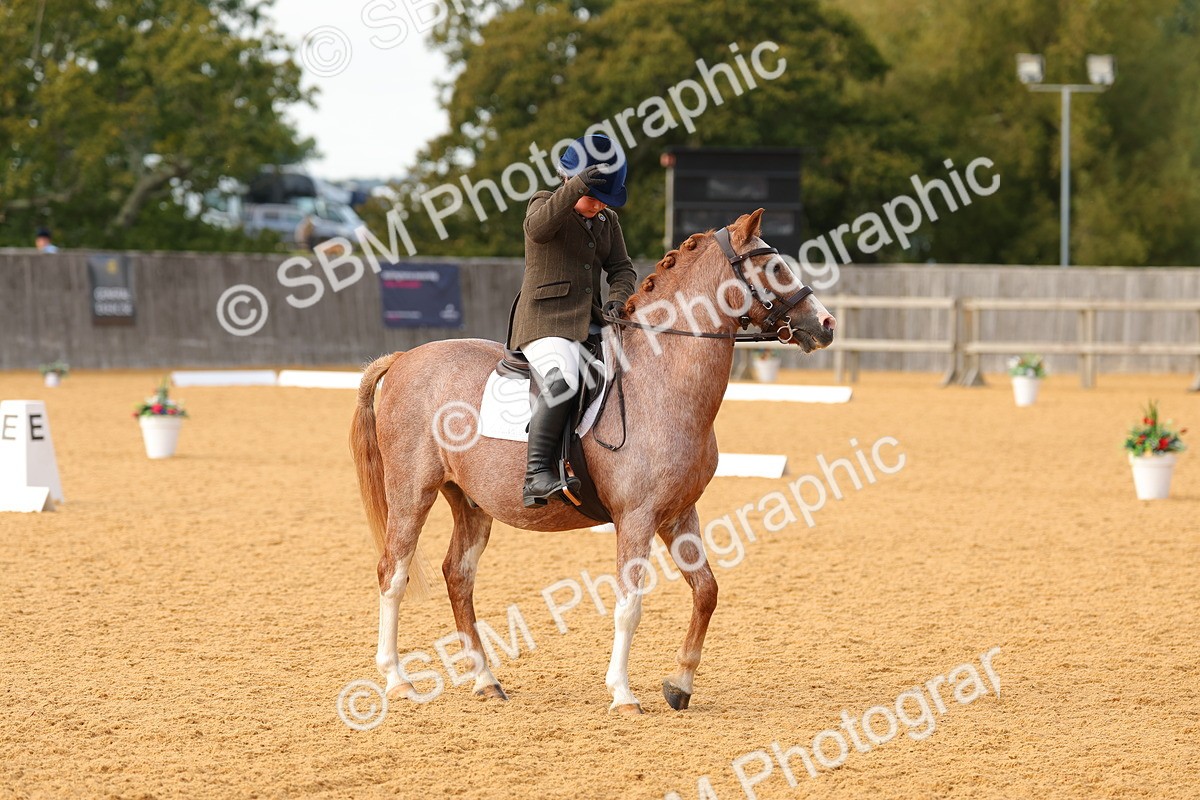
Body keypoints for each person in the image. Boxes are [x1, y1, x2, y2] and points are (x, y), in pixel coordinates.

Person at [508, 134, 637, 508]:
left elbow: (622, 268)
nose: (598, 205)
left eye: (604, 200)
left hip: (591, 322)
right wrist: (579, 184)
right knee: (563, 377)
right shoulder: (544, 204)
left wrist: (616, 300)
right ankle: (536, 475)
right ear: (569, 180)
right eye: (592, 196)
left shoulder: (606, 220)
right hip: (544, 320)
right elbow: (538, 230)